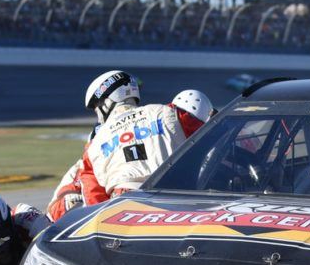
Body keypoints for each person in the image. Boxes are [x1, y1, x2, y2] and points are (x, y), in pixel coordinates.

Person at [76, 71, 214, 205]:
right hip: (173, 194)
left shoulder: (94, 143)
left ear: (106, 103)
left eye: (97, 109)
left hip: (123, 199)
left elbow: (92, 195)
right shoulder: (168, 112)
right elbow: (210, 136)